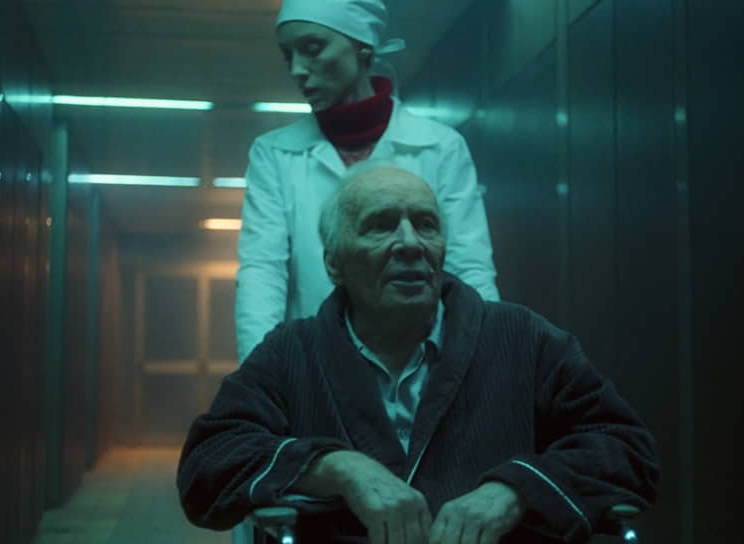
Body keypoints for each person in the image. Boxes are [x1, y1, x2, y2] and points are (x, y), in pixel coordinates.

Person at [179, 163, 659, 543]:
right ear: (334, 263)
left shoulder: (521, 338)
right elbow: (208, 463)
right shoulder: (292, 351)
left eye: (425, 225)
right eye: (380, 226)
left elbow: (625, 448)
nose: (410, 243)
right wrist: (336, 468)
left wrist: (517, 489)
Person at [235, 0, 500, 363]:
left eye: (312, 48)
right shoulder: (274, 154)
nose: (297, 69)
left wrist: (487, 367)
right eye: (288, 55)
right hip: (315, 369)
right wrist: (258, 375)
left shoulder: (440, 147)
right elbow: (262, 271)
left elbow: (469, 267)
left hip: (425, 368)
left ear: (362, 47)